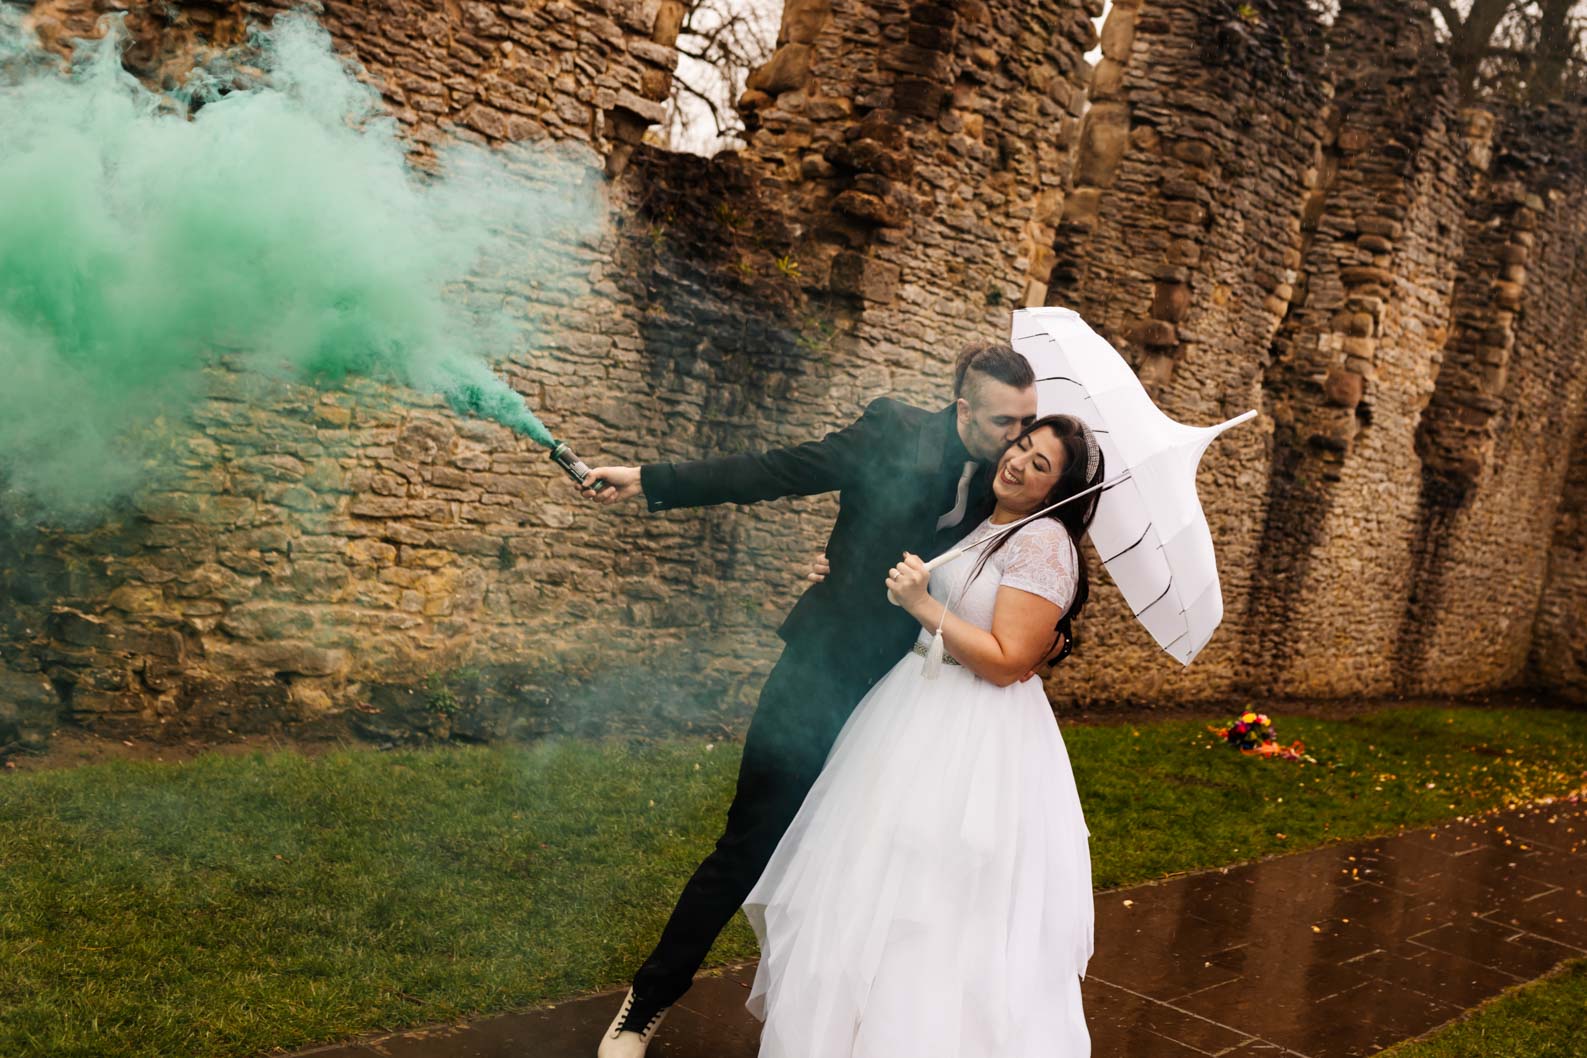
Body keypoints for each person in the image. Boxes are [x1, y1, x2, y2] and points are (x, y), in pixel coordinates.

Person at [574, 345, 1051, 1057]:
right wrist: (649, 479)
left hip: (910, 703)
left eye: (1027, 422)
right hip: (821, 672)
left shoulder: (1013, 488)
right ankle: (644, 1006)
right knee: (748, 842)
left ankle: (851, 1023)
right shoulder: (890, 430)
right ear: (960, 408)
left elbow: (1023, 600)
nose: (1016, 440)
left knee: (880, 863)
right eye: (1001, 422)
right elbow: (776, 470)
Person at [744, 413, 1101, 1057]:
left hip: (974, 734)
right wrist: (841, 571)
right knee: (867, 877)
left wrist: (923, 606)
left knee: (935, 895)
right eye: (1021, 444)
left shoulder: (1043, 542)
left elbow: (1005, 661)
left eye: (1040, 464)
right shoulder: (985, 522)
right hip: (912, 707)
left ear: (1058, 490)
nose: (1018, 461)